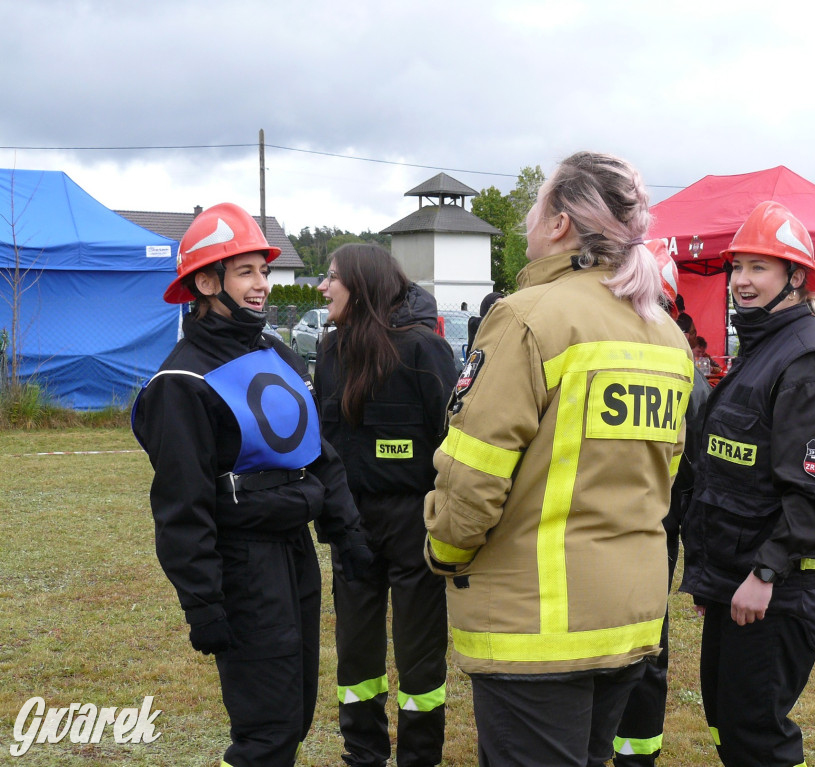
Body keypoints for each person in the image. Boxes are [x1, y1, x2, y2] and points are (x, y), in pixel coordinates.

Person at [423, 151, 694, 767]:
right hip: (628, 620)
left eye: (537, 206)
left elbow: (473, 475)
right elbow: (663, 475)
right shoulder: (665, 336)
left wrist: (443, 549)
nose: (527, 220)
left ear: (563, 223)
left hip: (536, 626)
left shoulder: (527, 319)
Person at [131, 202, 372, 767]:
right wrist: (203, 604)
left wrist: (349, 535)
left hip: (294, 557)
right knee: (265, 733)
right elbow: (181, 509)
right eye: (246, 272)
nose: (263, 285)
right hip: (243, 568)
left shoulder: (276, 354)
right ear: (206, 281)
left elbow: (320, 455)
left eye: (263, 271)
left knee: (295, 716)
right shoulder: (181, 381)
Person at [681, 200, 815, 767]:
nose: (742, 281)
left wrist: (763, 574)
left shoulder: (806, 362)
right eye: (738, 267)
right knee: (729, 724)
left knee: (757, 736)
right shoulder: (762, 349)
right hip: (736, 585)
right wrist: (716, 578)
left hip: (777, 593)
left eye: (759, 267)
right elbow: (730, 475)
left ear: (796, 277)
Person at [315, 244, 458, 767]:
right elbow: (324, 445)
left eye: (331, 278)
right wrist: (335, 519)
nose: (322, 288)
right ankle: (363, 754)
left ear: (362, 284)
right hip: (352, 522)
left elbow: (453, 441)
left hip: (415, 524)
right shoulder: (330, 354)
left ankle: (420, 757)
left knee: (420, 657)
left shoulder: (425, 351)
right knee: (356, 653)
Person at [613, 243, 712, 766]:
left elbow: (697, 482)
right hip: (649, 536)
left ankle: (634, 752)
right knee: (643, 649)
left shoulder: (682, 376)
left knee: (639, 652)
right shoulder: (684, 372)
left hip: (637, 534)